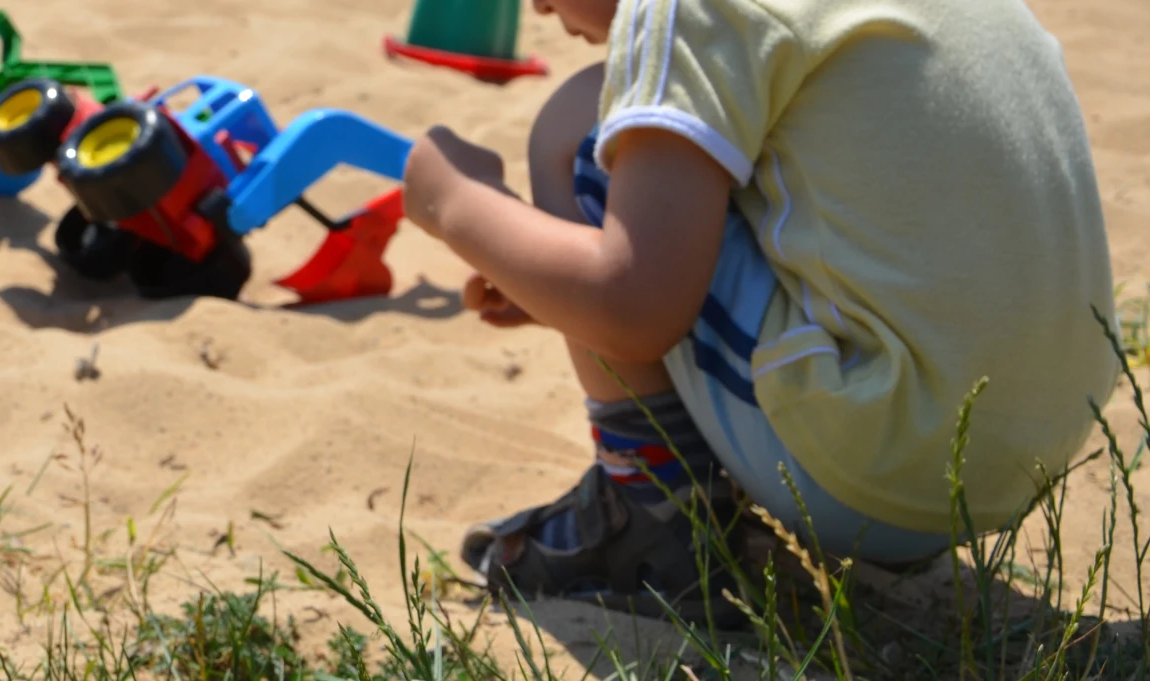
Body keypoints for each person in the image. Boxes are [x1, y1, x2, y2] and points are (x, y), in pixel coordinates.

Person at [399, 0, 1120, 625]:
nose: (538, 9)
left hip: (889, 459)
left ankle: (651, 521)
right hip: (1037, 440)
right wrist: (555, 281)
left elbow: (632, 303)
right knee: (699, 141)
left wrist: (455, 201)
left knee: (581, 129)